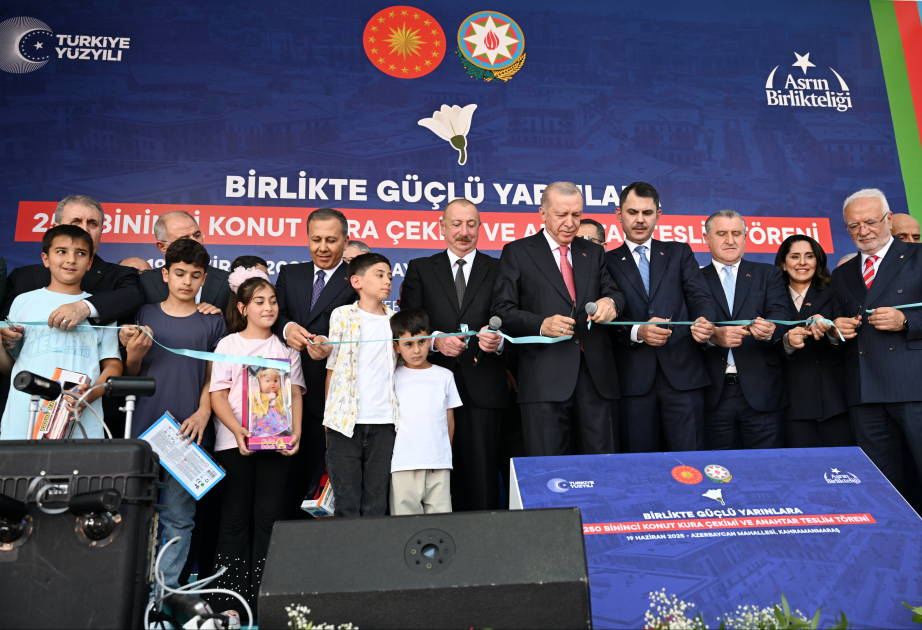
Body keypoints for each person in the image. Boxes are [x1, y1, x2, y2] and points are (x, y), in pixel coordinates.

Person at [121, 238, 227, 592]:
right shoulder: (143, 314)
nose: (186, 281)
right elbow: (130, 373)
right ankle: (130, 592)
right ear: (164, 274)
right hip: (142, 432)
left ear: (204, 279)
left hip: (189, 434)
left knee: (179, 520)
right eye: (179, 273)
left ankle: (163, 596)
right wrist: (134, 354)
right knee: (137, 515)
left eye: (195, 276)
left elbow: (216, 377)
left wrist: (202, 412)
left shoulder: (212, 322)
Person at [492, 182, 623, 457]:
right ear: (542, 213)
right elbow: (502, 310)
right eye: (562, 215)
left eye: (576, 215)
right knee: (548, 470)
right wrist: (542, 324)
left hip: (595, 377)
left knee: (603, 467)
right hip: (544, 377)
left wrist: (610, 303)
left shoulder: (594, 252)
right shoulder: (517, 252)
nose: (570, 223)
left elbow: (615, 294)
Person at [208, 272, 304, 622]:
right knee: (233, 519)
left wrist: (294, 434)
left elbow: (294, 393)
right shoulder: (229, 345)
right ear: (243, 307)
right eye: (260, 302)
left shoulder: (285, 348)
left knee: (269, 519)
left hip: (277, 445)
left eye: (273, 301)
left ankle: (266, 600)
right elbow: (217, 394)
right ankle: (229, 604)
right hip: (235, 443)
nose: (268, 308)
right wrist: (237, 431)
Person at [401, 198, 507, 511]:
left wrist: (499, 341)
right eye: (456, 224)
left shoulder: (500, 269)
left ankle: (482, 549)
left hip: (484, 386)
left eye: (471, 224)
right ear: (442, 226)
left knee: (483, 478)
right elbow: (408, 322)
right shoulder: (420, 269)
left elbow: (512, 319)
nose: (464, 232)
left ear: (480, 227)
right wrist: (434, 341)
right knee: (434, 476)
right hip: (430, 389)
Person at [813, 189, 922, 492]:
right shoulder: (843, 273)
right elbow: (832, 327)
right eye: (853, 226)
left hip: (914, 387)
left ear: (889, 220)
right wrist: (836, 330)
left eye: (870, 222)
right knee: (881, 485)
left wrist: (907, 321)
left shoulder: (918, 255)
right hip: (864, 391)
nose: (863, 231)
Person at [605, 182, 716, 452]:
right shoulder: (604, 260)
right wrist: (637, 332)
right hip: (631, 380)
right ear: (619, 214)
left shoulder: (680, 252)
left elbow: (700, 296)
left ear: (659, 215)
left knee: (692, 466)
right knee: (640, 469)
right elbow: (604, 320)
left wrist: (704, 322)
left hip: (683, 375)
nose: (640, 220)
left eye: (647, 212)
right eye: (632, 212)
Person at [0, 225, 122, 439]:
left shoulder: (100, 307)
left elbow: (113, 365)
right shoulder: (23, 301)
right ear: (45, 259)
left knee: (78, 472)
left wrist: (90, 394)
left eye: (81, 253)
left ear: (90, 263)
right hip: (23, 415)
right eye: (61, 251)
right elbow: (9, 367)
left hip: (80, 417)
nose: (71, 259)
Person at [273, 208, 357, 519]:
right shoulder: (290, 273)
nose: (323, 247)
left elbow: (363, 327)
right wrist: (287, 328)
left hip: (332, 395)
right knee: (287, 483)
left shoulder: (355, 279)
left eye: (331, 240)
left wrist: (332, 344)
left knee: (325, 482)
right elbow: (273, 314)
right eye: (316, 239)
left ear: (345, 241)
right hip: (286, 395)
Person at [700, 209, 790, 450]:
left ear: (745, 237)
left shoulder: (768, 274)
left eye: (736, 233)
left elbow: (782, 315)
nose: (730, 240)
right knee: (719, 474)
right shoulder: (694, 278)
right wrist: (711, 337)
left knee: (769, 472)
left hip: (763, 394)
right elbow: (689, 327)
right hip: (712, 396)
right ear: (706, 239)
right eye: (721, 233)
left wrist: (771, 329)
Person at [324, 253, 397, 517]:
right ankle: (345, 559)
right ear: (357, 281)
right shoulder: (342, 315)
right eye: (379, 275)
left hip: (385, 423)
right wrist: (328, 419)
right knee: (346, 503)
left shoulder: (395, 321)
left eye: (389, 275)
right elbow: (331, 369)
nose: (387, 280)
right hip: (343, 424)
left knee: (376, 503)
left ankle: (372, 559)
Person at [773, 235, 853, 448]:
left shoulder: (834, 289)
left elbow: (848, 341)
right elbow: (765, 345)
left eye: (809, 256)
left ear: (818, 261)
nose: (802, 263)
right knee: (802, 474)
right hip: (790, 400)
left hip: (833, 398)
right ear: (783, 263)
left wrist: (831, 329)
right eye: (794, 256)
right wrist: (787, 342)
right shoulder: (771, 296)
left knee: (842, 472)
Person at [389, 308, 462, 515]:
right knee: (405, 529)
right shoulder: (392, 378)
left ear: (430, 340)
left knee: (440, 525)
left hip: (439, 465)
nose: (416, 350)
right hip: (403, 464)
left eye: (421, 342)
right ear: (396, 347)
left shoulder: (445, 376)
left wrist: (443, 453)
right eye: (408, 344)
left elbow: (450, 420)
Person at [139, 211, 229, 314]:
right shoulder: (144, 283)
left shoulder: (227, 281)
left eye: (197, 235)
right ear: (162, 247)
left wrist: (220, 320)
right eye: (184, 239)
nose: (195, 242)